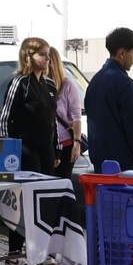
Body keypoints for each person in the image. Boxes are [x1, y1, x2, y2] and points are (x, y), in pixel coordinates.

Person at [0, 37, 59, 265]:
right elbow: (5, 119)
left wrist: (54, 149)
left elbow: (52, 122)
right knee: (24, 201)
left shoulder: (50, 85)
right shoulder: (20, 83)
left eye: (48, 53)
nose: (47, 58)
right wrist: (9, 152)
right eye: (42, 54)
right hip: (24, 148)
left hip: (45, 149)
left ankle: (39, 249)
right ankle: (14, 252)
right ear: (28, 56)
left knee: (44, 201)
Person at [84, 27, 133, 173]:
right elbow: (132, 127)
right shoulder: (125, 84)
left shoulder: (95, 81)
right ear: (122, 53)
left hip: (99, 163)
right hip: (124, 166)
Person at [49, 48, 83, 181]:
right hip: (45, 143)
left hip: (65, 143)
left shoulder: (67, 84)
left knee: (62, 182)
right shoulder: (36, 84)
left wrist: (76, 144)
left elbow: (76, 116)